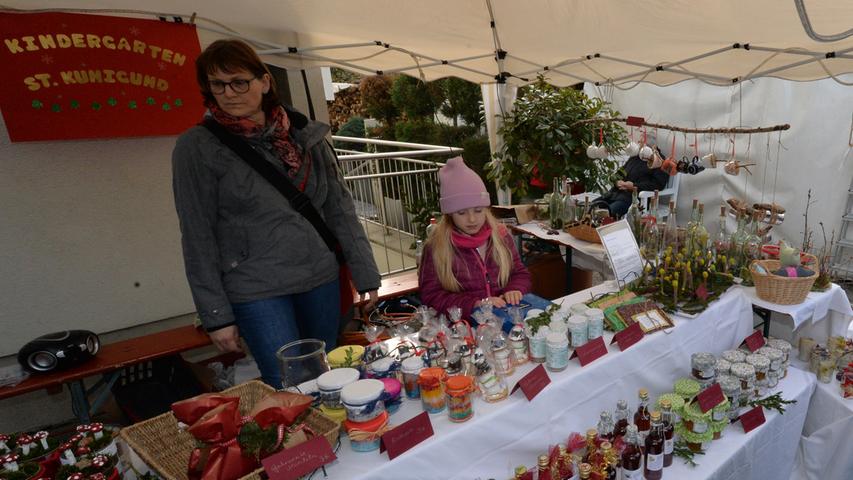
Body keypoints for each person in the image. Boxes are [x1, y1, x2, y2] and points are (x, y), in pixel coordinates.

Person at [172, 39, 380, 387]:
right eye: (218, 84)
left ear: (264, 82)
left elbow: (339, 207)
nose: (229, 93)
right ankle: (306, 443)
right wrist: (216, 316)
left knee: (328, 375)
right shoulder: (197, 147)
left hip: (320, 276)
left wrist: (365, 270)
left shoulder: (304, 133)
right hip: (257, 289)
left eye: (239, 81)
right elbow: (197, 235)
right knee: (290, 383)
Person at [418, 157, 532, 320]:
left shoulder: (500, 236)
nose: (472, 220)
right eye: (462, 213)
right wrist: (475, 304)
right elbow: (431, 296)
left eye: (478, 210)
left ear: (486, 208)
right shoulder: (437, 247)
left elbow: (520, 273)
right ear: (449, 214)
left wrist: (515, 289)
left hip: (504, 320)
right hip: (464, 328)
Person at [594, 150, 669, 218]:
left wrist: (633, 186)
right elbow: (618, 174)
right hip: (613, 194)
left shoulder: (659, 161)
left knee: (606, 214)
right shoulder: (636, 156)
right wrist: (617, 182)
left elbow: (658, 184)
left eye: (643, 137)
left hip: (633, 199)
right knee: (590, 207)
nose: (640, 141)